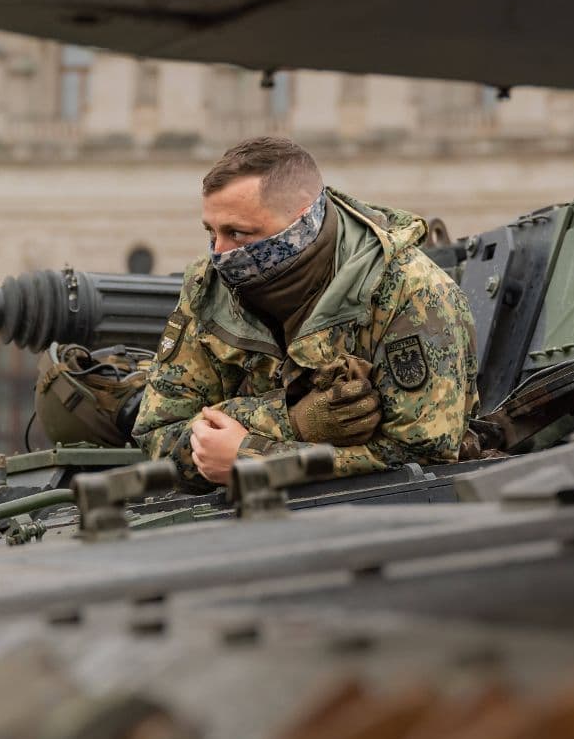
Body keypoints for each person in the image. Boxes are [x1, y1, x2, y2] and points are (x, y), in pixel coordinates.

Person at [133, 136, 478, 490]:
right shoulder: (208, 288)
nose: (220, 252)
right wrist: (292, 422)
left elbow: (424, 459)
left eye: (238, 233)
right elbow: (157, 435)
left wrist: (255, 458)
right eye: (211, 231)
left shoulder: (412, 293)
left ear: (300, 224)